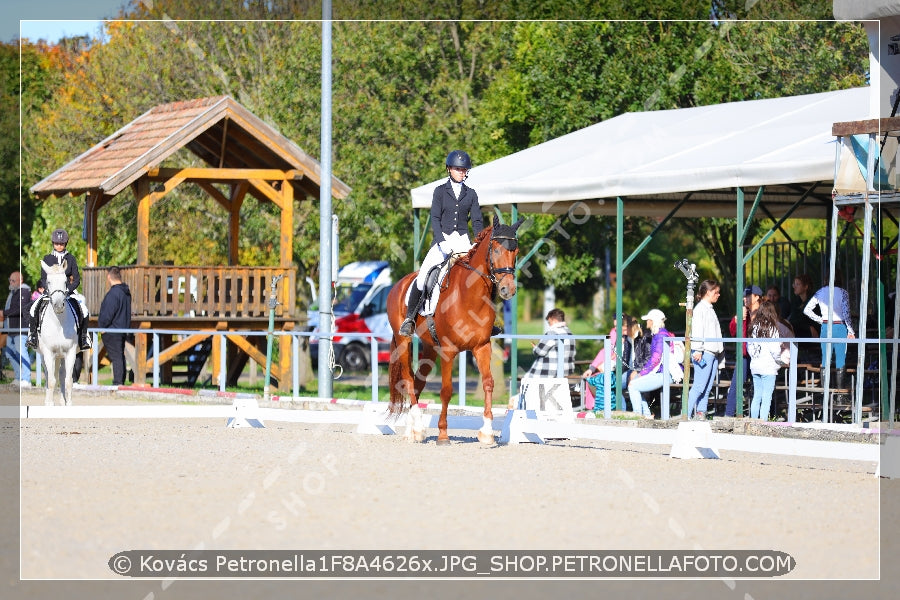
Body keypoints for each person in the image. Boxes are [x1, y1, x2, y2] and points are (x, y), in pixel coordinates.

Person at [399, 150, 483, 337]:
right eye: (457, 169)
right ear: (449, 169)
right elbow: (435, 219)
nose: (461, 172)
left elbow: (477, 221)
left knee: (481, 275)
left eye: (464, 169)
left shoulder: (471, 194)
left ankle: (486, 319)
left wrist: (478, 242)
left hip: (463, 241)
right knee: (422, 277)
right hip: (442, 240)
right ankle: (410, 318)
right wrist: (442, 241)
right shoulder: (439, 191)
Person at [27, 228, 91, 351]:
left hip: (67, 292)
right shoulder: (47, 259)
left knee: (84, 309)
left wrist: (67, 290)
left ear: (65, 244)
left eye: (61, 243)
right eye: (57, 243)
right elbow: (43, 279)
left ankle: (83, 338)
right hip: (50, 292)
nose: (59, 246)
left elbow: (76, 279)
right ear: (53, 243)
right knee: (34, 308)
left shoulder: (71, 259)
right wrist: (50, 291)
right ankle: (33, 336)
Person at [803, 271, 856, 397]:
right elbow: (846, 314)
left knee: (825, 359)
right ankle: (840, 396)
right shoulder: (843, 293)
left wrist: (821, 320)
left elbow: (807, 310)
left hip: (826, 326)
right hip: (839, 326)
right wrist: (851, 331)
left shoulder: (820, 292)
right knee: (840, 359)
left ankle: (825, 395)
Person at [626, 308, 679, 419]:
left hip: (664, 373)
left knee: (632, 386)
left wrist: (642, 373)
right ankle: (646, 415)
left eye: (648, 320)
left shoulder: (661, 335)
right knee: (634, 383)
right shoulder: (659, 334)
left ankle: (638, 416)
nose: (646, 322)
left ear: (653, 321)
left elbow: (656, 358)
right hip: (660, 372)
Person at [686, 280, 724, 421]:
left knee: (707, 386)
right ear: (708, 292)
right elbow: (697, 330)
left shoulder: (708, 309)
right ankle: (687, 413)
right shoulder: (700, 309)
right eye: (716, 292)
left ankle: (701, 412)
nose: (718, 295)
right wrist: (697, 350)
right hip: (704, 352)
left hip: (712, 352)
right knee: (699, 385)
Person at [582, 314, 636, 411]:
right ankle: (596, 407)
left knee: (606, 381)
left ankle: (613, 409)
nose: (615, 328)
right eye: (614, 326)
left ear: (625, 326)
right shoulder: (613, 333)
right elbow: (605, 351)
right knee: (592, 379)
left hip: (622, 368)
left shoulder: (630, 336)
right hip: (613, 366)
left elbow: (625, 357)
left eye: (617, 326)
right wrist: (592, 368)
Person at [725, 285, 763, 417]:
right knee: (735, 386)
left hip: (760, 356)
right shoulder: (743, 312)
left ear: (757, 297)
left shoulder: (764, 312)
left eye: (748, 296)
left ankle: (763, 416)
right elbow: (733, 332)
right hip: (745, 355)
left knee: (761, 387)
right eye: (744, 296)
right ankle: (728, 415)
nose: (745, 299)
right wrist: (738, 319)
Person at [747, 300, 785, 421]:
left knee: (757, 395)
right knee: (767, 396)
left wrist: (754, 357)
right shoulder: (773, 328)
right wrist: (780, 362)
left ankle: (753, 421)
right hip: (768, 367)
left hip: (755, 366)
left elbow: (749, 347)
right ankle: (763, 421)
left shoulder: (753, 327)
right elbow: (775, 350)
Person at [97, 266, 132, 386]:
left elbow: (107, 313)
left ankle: (118, 383)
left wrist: (102, 327)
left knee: (117, 358)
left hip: (112, 331)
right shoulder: (126, 292)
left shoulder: (113, 293)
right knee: (120, 357)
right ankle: (120, 381)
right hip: (122, 328)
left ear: (109, 277)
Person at [1, 272, 33, 387]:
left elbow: (20, 309)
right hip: (11, 329)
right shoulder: (13, 293)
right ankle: (18, 377)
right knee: (9, 353)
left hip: (21, 329)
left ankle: (26, 379)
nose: (10, 282)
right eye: (10, 280)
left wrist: (3, 313)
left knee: (22, 354)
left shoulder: (24, 291)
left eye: (13, 280)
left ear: (20, 281)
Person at [788, 273, 819, 364]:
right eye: (794, 284)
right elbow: (793, 320)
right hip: (802, 332)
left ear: (805, 287)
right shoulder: (796, 301)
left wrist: (809, 326)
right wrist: (808, 327)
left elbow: (815, 321)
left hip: (813, 336)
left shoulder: (814, 301)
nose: (794, 286)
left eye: (798, 284)